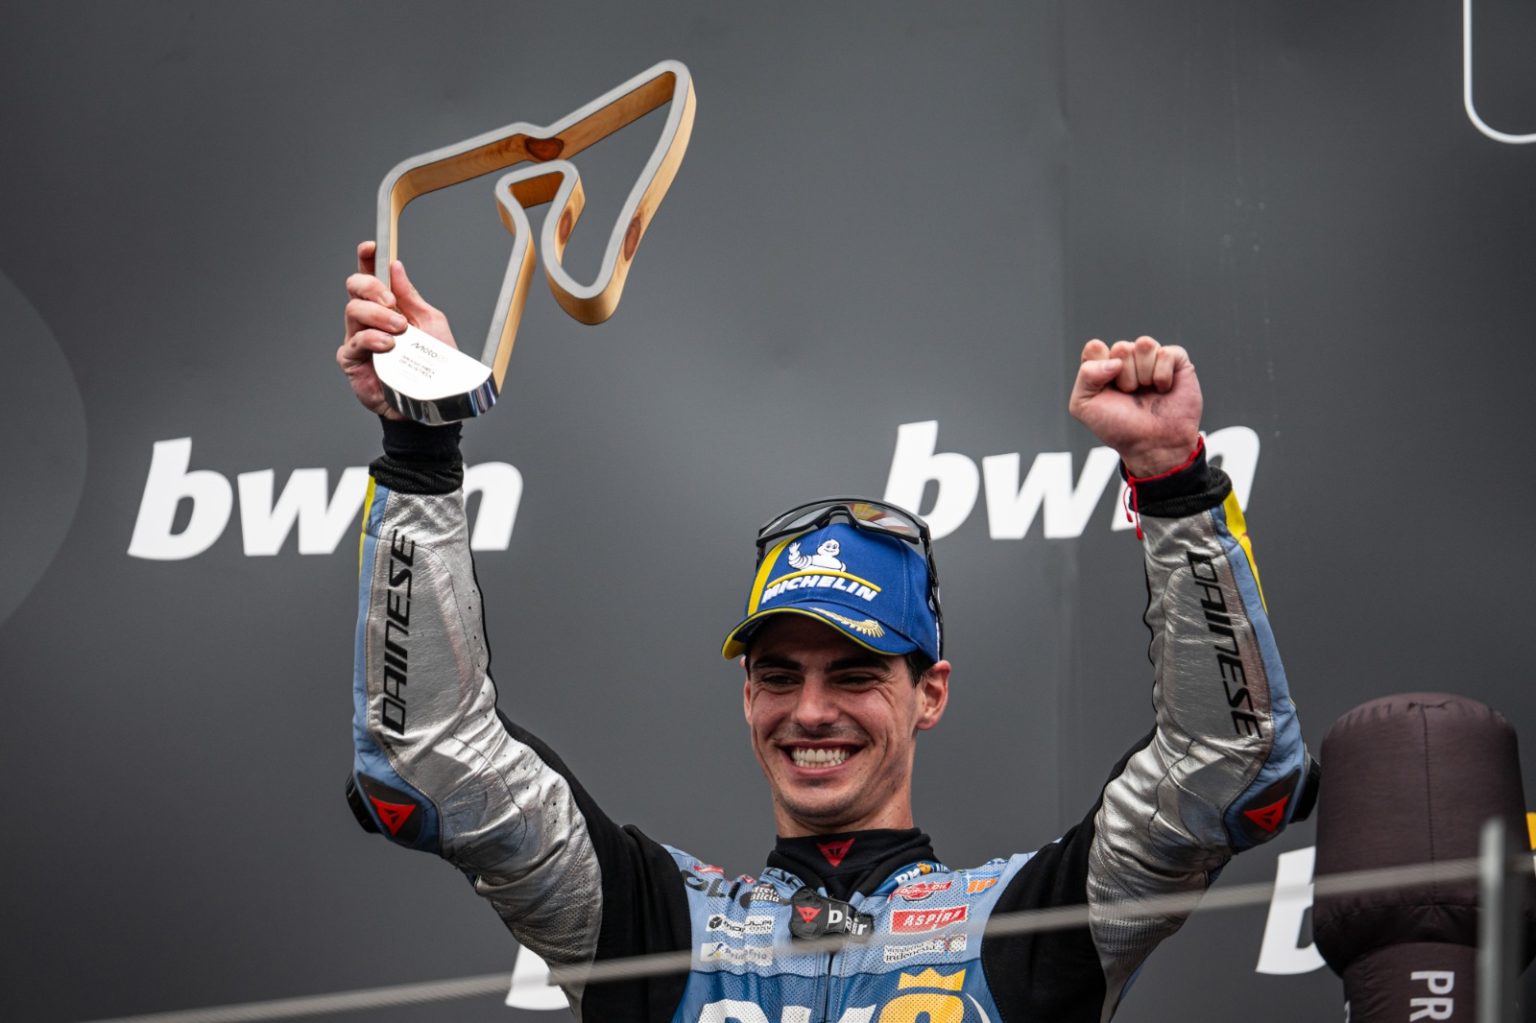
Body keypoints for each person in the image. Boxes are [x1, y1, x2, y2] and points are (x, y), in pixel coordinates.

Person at [338, 242, 1312, 1022]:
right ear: (746, 695)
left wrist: (1174, 483)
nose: (810, 711)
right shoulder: (654, 922)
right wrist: (421, 446)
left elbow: (1229, 767)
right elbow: (430, 760)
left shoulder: (1022, 926)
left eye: (853, 673)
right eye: (779, 674)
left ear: (930, 693)